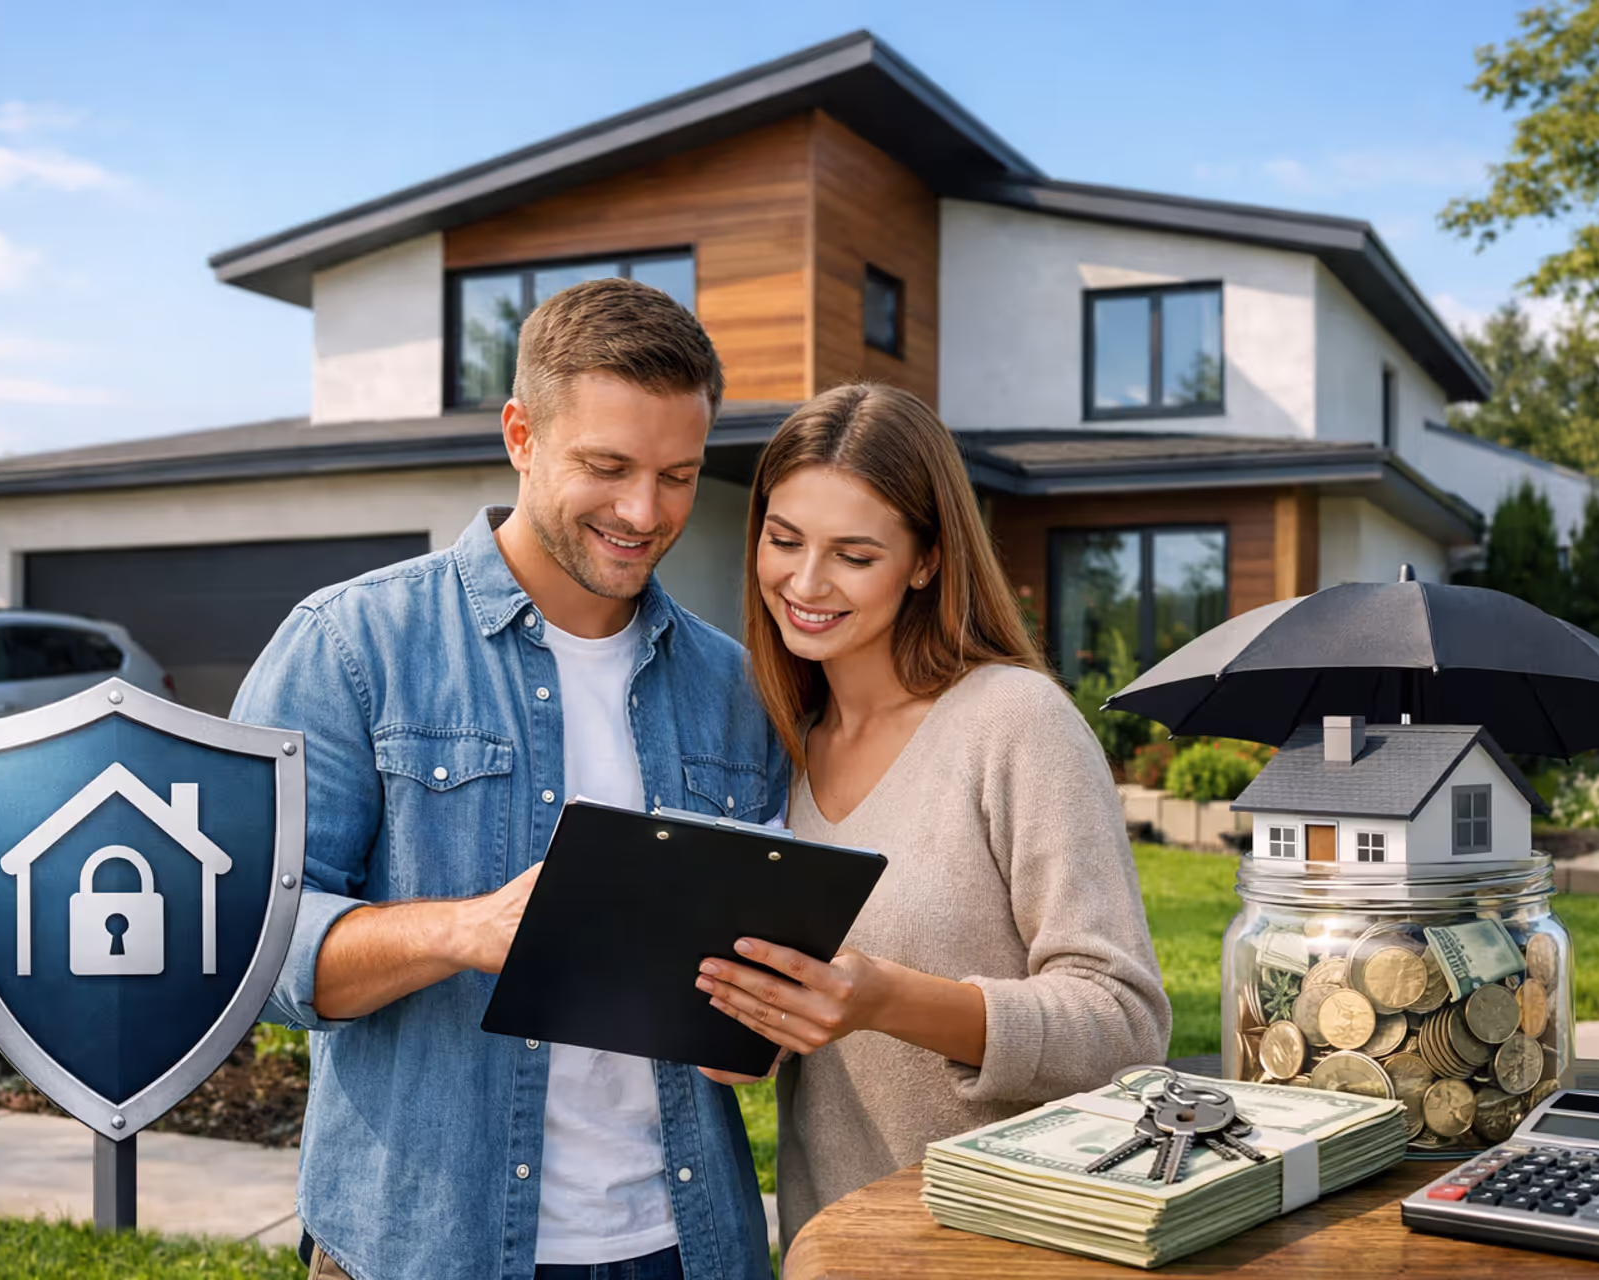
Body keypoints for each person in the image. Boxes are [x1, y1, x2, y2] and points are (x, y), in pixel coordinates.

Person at [234, 278, 787, 1280]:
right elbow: (247, 949)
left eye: (678, 475)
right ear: (521, 435)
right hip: (423, 1246)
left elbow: (757, 990)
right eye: (608, 466)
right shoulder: (354, 648)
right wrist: (463, 929)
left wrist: (759, 1015)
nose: (644, 510)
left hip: (685, 1247)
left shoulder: (736, 690)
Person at [693, 383, 1173, 1250]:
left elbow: (1124, 1023)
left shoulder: (1013, 722)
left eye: (854, 554)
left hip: (1005, 1247)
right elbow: (816, 1028)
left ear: (925, 559)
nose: (804, 582)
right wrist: (749, 1026)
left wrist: (885, 999)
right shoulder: (779, 749)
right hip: (836, 1248)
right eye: (784, 539)